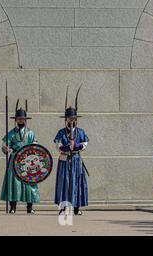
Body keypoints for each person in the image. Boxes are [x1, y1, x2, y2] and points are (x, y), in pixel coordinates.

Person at [54, 88, 89, 216]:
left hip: (76, 159)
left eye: (73, 118)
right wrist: (67, 147)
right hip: (64, 159)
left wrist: (78, 145)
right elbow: (57, 146)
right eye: (69, 118)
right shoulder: (61, 132)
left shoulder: (80, 132)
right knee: (64, 182)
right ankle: (63, 207)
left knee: (77, 182)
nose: (71, 120)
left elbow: (85, 144)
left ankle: (76, 207)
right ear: (66, 119)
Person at [0, 101, 40, 214]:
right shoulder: (11, 133)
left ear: (25, 120)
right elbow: (4, 144)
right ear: (16, 120)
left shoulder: (30, 133)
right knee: (13, 182)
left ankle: (29, 207)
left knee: (29, 182)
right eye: (19, 119)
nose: (21, 120)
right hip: (14, 159)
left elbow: (35, 144)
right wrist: (6, 148)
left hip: (28, 159)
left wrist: (33, 149)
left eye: (23, 119)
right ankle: (13, 207)